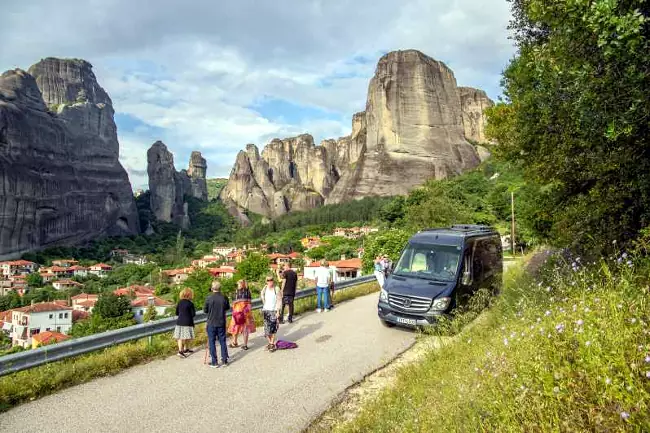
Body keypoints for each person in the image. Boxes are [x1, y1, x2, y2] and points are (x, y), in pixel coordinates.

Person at [204, 281, 230, 368]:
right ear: (220, 288)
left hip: (211, 322)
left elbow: (205, 310)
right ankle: (224, 360)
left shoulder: (209, 298)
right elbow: (227, 308)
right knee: (222, 341)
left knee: (212, 341)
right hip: (221, 322)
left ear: (212, 288)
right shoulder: (224, 297)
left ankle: (214, 362)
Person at [227, 279, 255, 350]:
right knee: (245, 329)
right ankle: (245, 345)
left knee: (235, 327)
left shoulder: (236, 293)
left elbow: (233, 304)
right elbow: (250, 303)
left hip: (237, 312)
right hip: (246, 313)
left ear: (240, 284)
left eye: (238, 284)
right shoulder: (248, 292)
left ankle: (235, 342)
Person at [260, 275, 282, 352]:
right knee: (266, 330)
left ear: (273, 280)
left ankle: (272, 343)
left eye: (271, 280)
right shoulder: (265, 288)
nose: (270, 281)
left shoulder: (276, 289)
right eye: (268, 280)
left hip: (273, 311)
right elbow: (262, 295)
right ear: (266, 281)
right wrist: (264, 303)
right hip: (266, 310)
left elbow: (279, 300)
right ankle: (270, 343)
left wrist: (278, 311)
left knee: (273, 328)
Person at [174, 287, 196, 358]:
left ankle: (180, 351)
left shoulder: (179, 302)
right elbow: (193, 314)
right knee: (188, 337)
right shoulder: (190, 304)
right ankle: (185, 349)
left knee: (180, 337)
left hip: (180, 322)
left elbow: (176, 313)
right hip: (188, 322)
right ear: (190, 295)